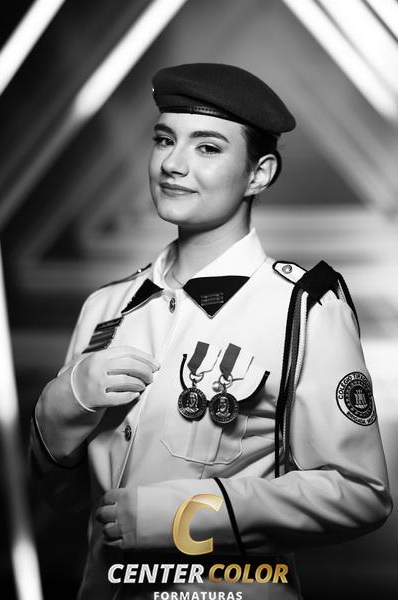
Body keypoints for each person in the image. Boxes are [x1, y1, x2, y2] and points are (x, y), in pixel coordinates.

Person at [30, 63, 392, 600]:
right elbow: (61, 498)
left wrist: (186, 515)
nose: (172, 164)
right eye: (164, 139)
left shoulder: (301, 308)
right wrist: (61, 407)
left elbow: (361, 492)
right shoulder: (106, 306)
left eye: (207, 147)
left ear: (259, 174)